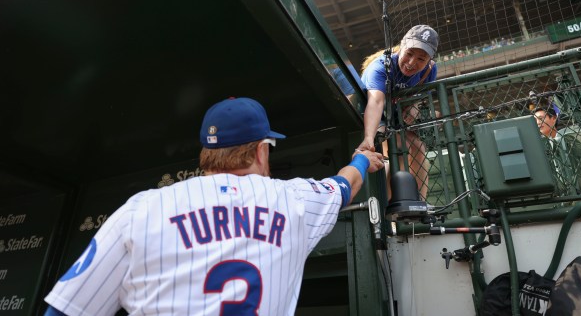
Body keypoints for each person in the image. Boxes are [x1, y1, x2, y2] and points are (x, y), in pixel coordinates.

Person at [43, 97, 384, 316]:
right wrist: (360, 160)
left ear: (207, 152)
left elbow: (66, 310)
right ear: (262, 150)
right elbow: (344, 185)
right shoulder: (294, 200)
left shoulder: (140, 210)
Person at [357, 25, 439, 200]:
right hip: (369, 112)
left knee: (418, 148)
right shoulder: (379, 67)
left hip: (394, 113)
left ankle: (419, 205)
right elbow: (376, 101)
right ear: (401, 47)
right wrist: (368, 137)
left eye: (421, 59)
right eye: (409, 54)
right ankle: (391, 214)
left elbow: (419, 96)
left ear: (429, 60)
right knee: (399, 149)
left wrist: (414, 107)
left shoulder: (430, 70)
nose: (411, 63)